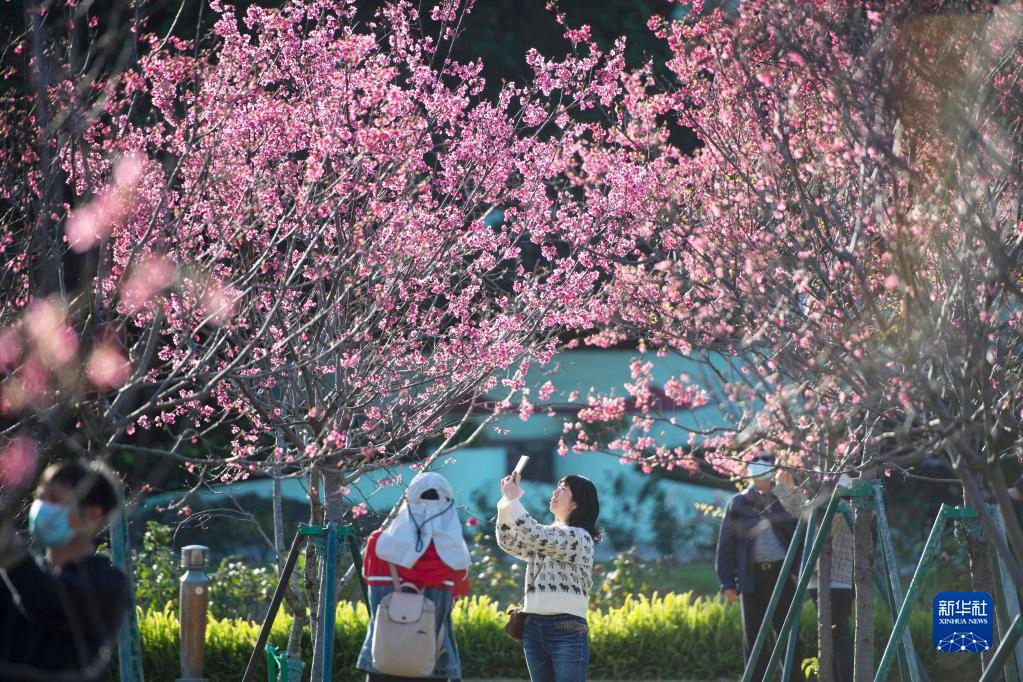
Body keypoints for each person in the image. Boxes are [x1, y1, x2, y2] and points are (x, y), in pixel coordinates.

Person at [0, 460, 130, 682]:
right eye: (40, 497)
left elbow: (47, 599)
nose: (42, 507)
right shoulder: (15, 577)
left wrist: (11, 549)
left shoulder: (108, 584)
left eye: (55, 500)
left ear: (92, 516)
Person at [357, 471, 471, 682]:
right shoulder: (455, 559)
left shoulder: (377, 545)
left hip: (383, 659)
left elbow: (368, 581)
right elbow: (459, 593)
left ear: (407, 501)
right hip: (432, 662)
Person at [496, 472, 600, 682]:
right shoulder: (551, 535)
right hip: (533, 625)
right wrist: (504, 505)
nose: (555, 491)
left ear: (577, 503)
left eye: (563, 488)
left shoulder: (579, 537)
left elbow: (535, 534)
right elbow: (508, 541)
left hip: (567, 627)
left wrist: (513, 500)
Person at [715, 457, 806, 681]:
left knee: (787, 632)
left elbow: (799, 533)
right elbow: (726, 546)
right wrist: (727, 582)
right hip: (751, 576)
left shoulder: (782, 499)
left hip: (782, 574)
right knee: (754, 637)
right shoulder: (738, 503)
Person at [775, 467, 855, 682]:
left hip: (832, 581)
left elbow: (802, 510)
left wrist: (783, 488)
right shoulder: (847, 507)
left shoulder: (838, 508)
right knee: (834, 637)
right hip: (831, 581)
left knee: (837, 639)